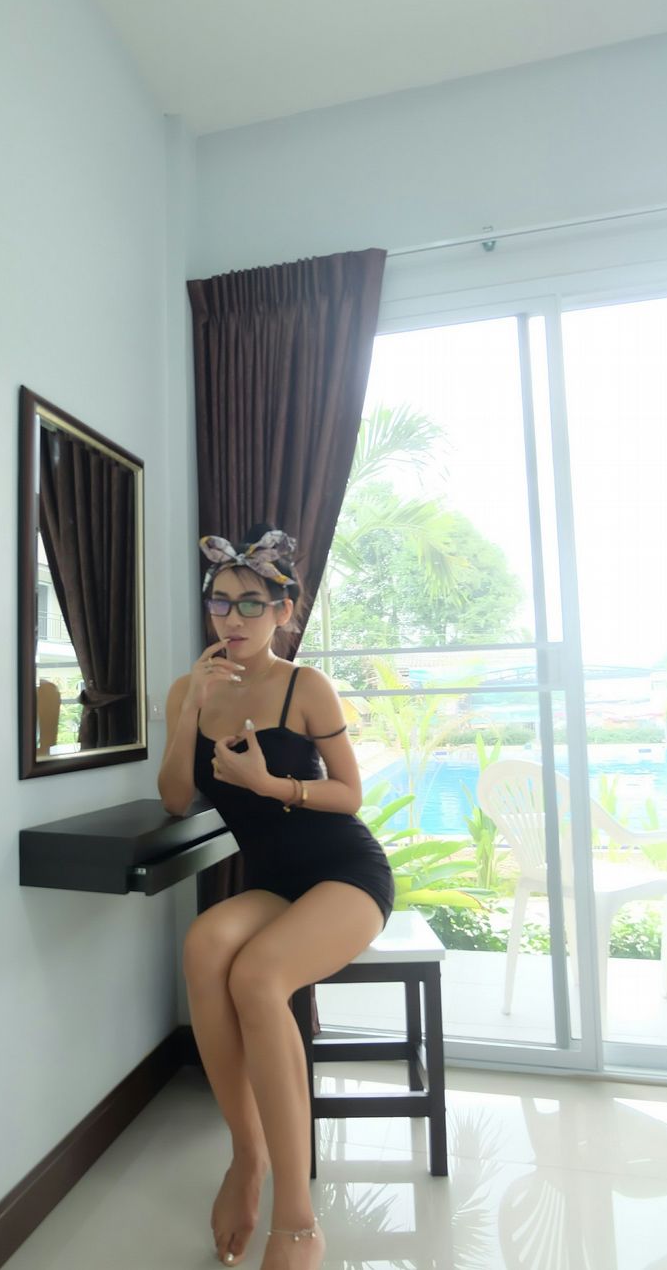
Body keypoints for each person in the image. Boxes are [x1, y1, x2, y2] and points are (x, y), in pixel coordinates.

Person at [157, 524, 394, 1269]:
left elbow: (350, 793)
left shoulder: (304, 685)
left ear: (283, 613)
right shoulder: (190, 688)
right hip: (276, 884)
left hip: (346, 873)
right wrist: (189, 711)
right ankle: (247, 1155)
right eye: (220, 602)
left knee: (258, 976)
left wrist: (269, 784)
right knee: (204, 945)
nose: (232, 618)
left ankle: (297, 1219)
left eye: (251, 604)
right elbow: (175, 799)